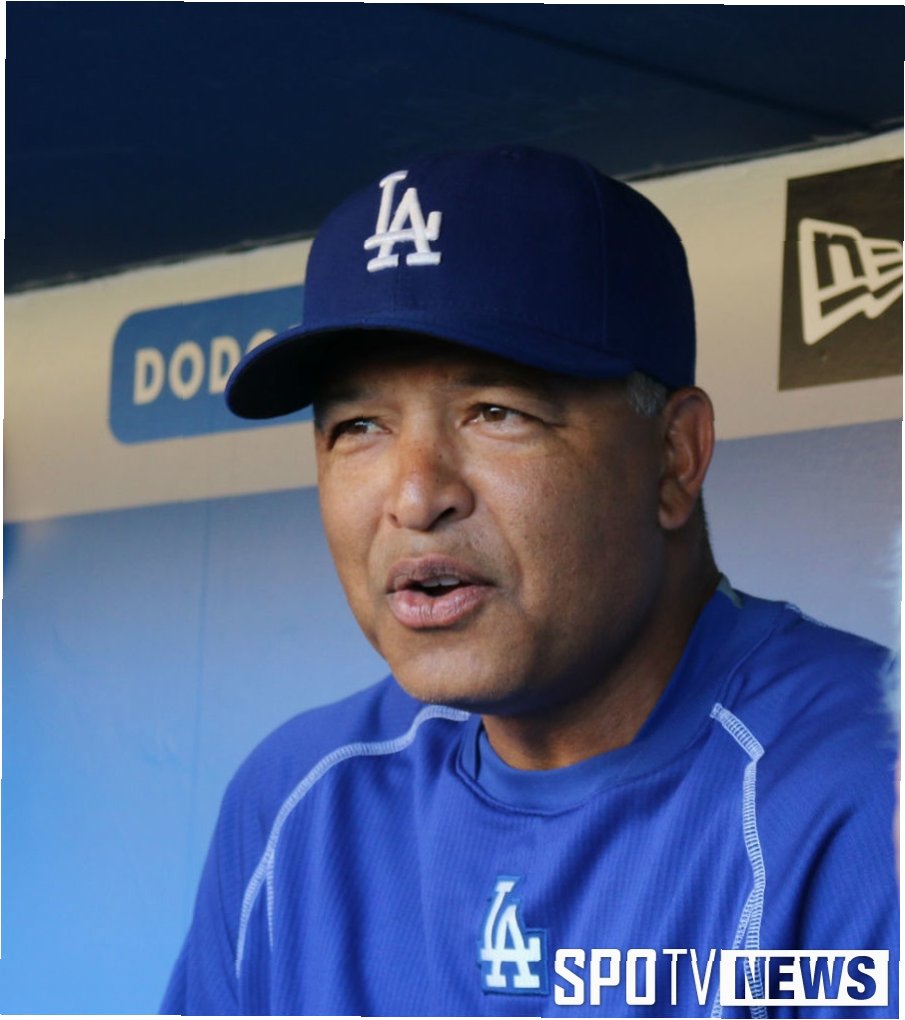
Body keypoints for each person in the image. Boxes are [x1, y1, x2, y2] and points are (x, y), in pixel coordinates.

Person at [161, 146, 898, 1017]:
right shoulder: (298, 800)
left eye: (495, 413)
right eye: (359, 426)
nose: (416, 497)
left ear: (674, 456)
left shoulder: (867, 792)